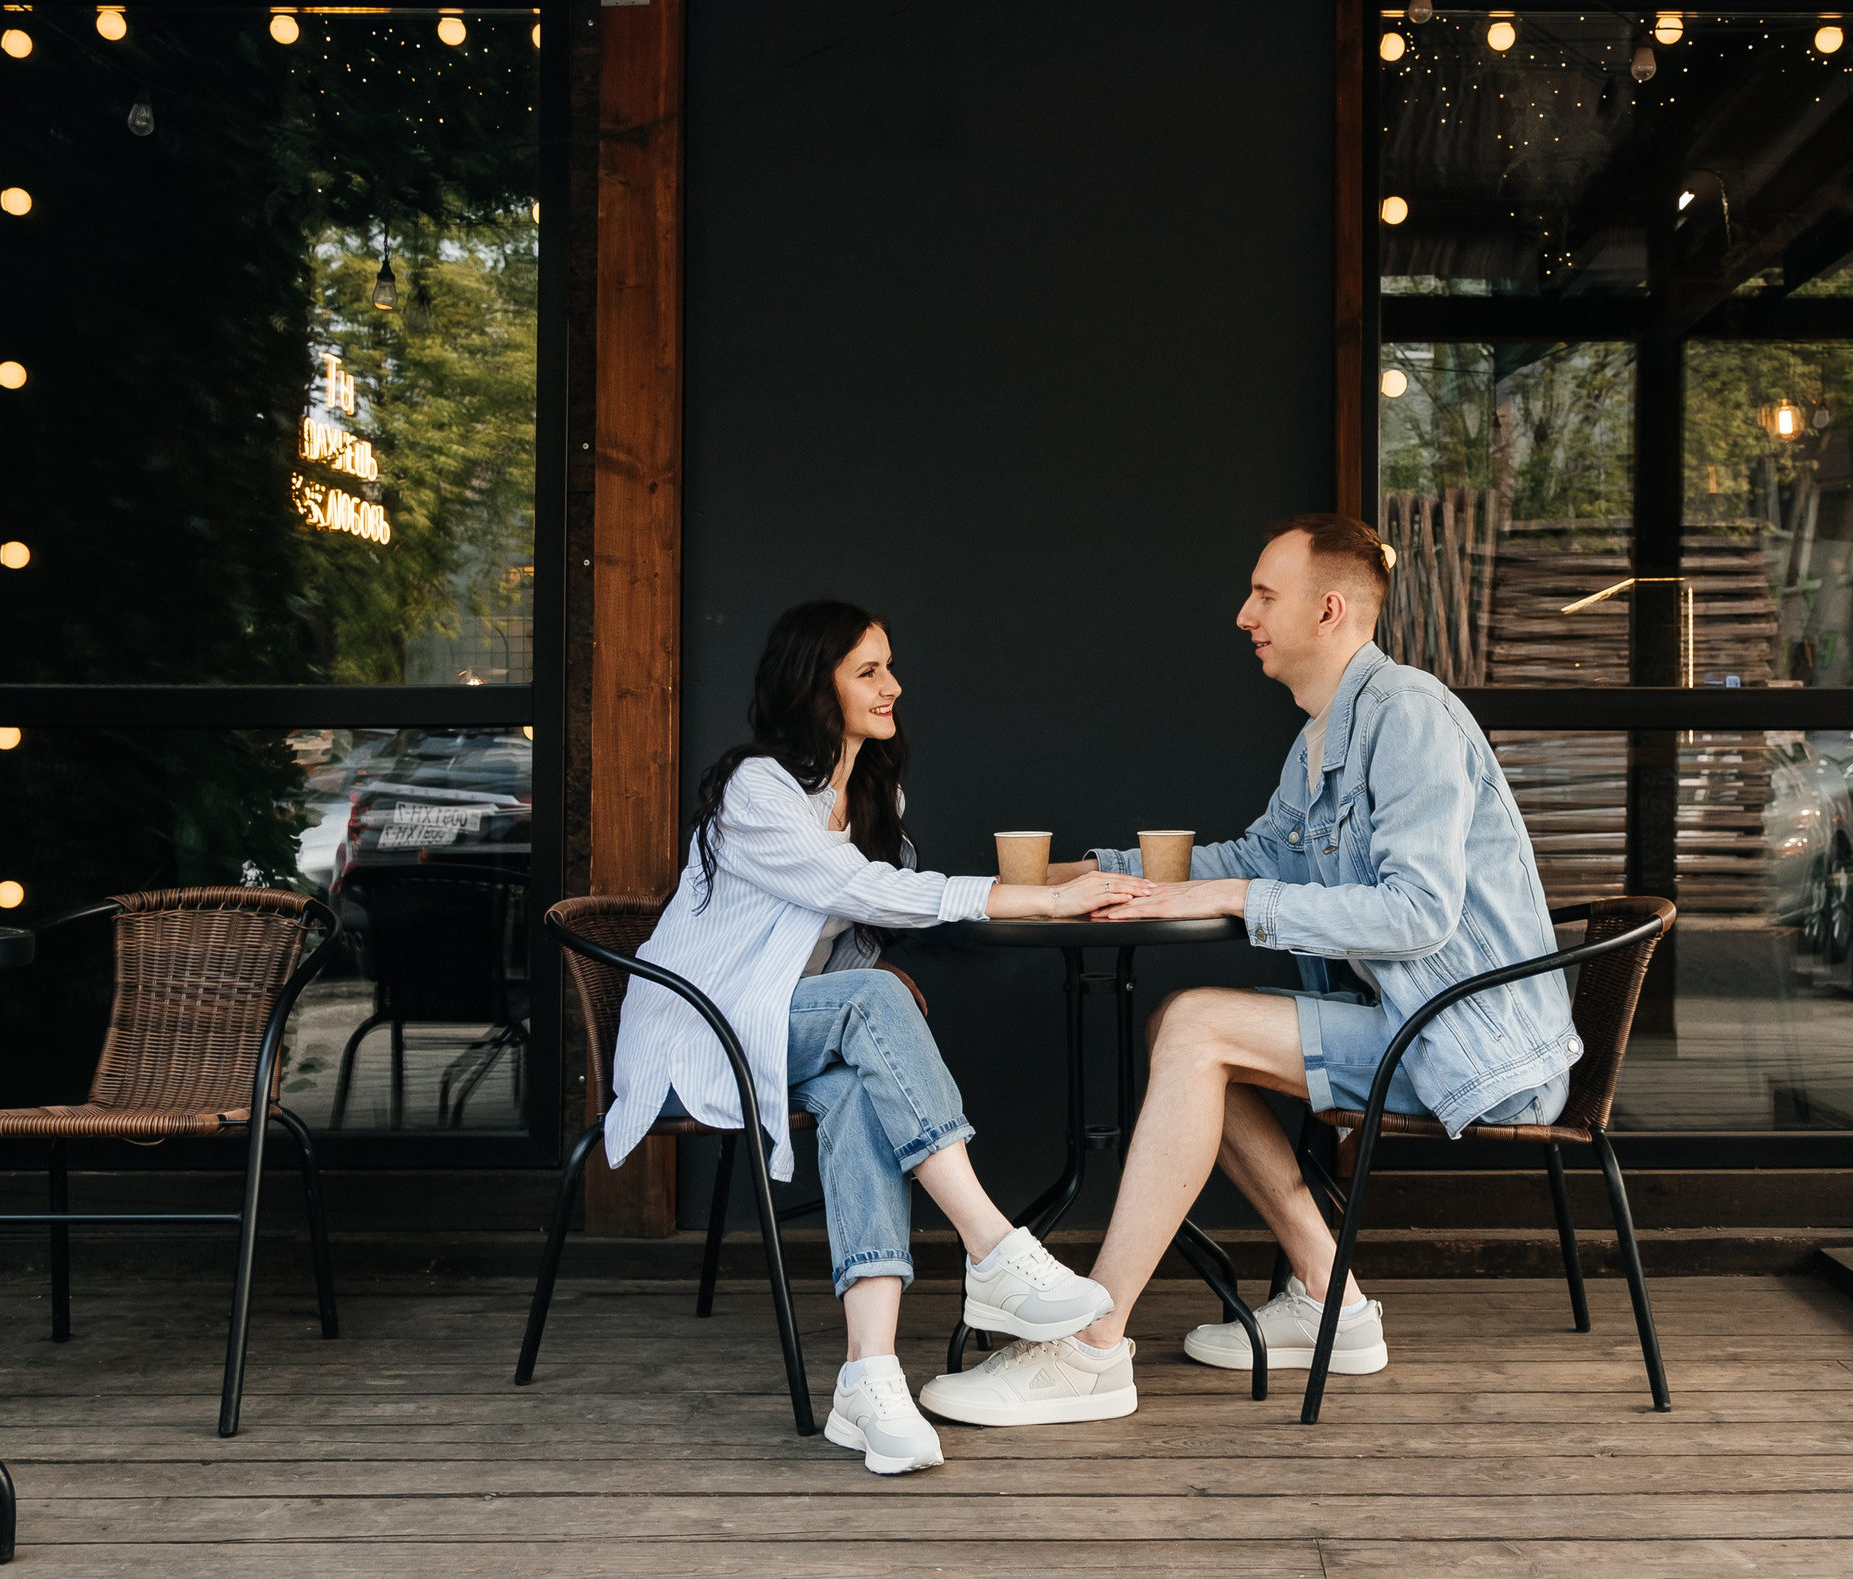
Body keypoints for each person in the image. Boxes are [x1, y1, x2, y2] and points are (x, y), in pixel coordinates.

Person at [916, 514, 1576, 1428]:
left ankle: (1091, 1352)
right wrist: (1087, 875)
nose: (1242, 614)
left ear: (1330, 608)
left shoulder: (1408, 715)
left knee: (1194, 1024)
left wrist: (1232, 899)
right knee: (1182, 1030)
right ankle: (1331, 1297)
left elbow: (1417, 913)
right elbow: (1255, 853)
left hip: (1476, 1048)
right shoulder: (1319, 739)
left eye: (1264, 593)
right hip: (1410, 1021)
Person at [606, 599, 1151, 1473]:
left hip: (789, 1023)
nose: (893, 685)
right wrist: (1040, 902)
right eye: (868, 670)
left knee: (863, 1079)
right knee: (867, 1004)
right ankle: (993, 1247)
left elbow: (877, 907)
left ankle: (869, 1377)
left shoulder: (870, 794)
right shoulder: (759, 789)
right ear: (811, 684)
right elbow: (865, 892)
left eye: (889, 666)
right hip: (701, 1034)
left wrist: (1063, 879)